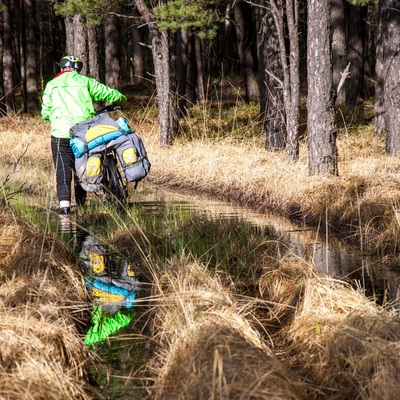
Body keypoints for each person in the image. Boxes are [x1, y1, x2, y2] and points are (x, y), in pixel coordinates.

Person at [41, 55, 127, 215]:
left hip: (60, 133)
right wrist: (122, 101)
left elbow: (45, 112)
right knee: (83, 166)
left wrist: (54, 117)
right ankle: (81, 205)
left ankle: (65, 212)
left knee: (63, 172)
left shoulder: (52, 85)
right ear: (77, 70)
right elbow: (111, 94)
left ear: (62, 69)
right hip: (84, 133)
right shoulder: (86, 82)